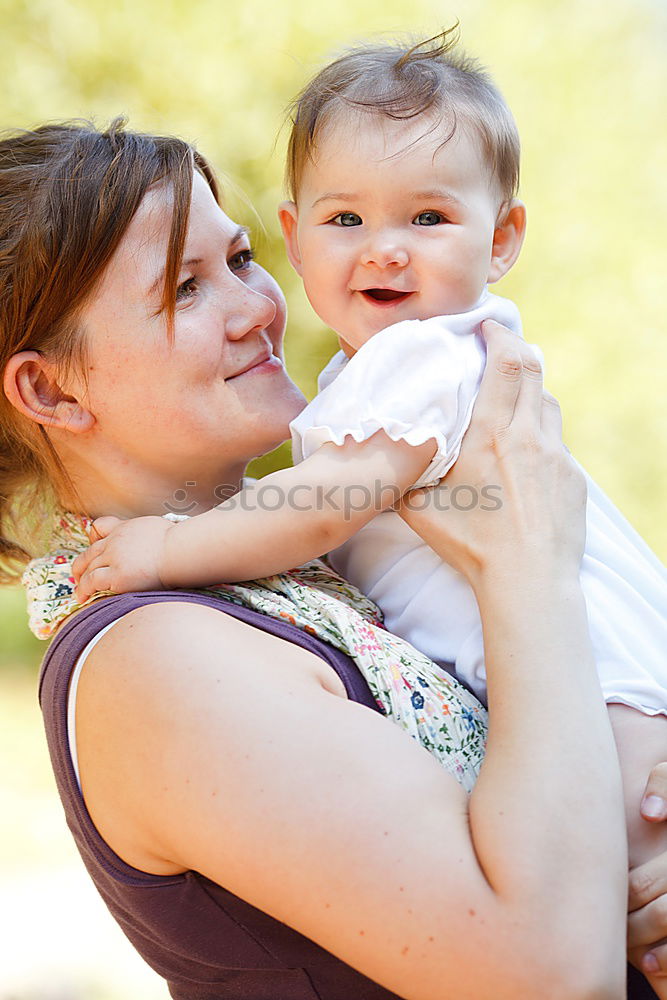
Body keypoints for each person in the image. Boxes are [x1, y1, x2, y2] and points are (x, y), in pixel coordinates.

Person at [0, 116, 657, 998]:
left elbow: (547, 776)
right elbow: (552, 979)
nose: (258, 308)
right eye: (184, 290)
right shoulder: (156, 659)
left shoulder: (307, 580)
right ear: (49, 389)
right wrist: (529, 568)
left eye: (239, 259)